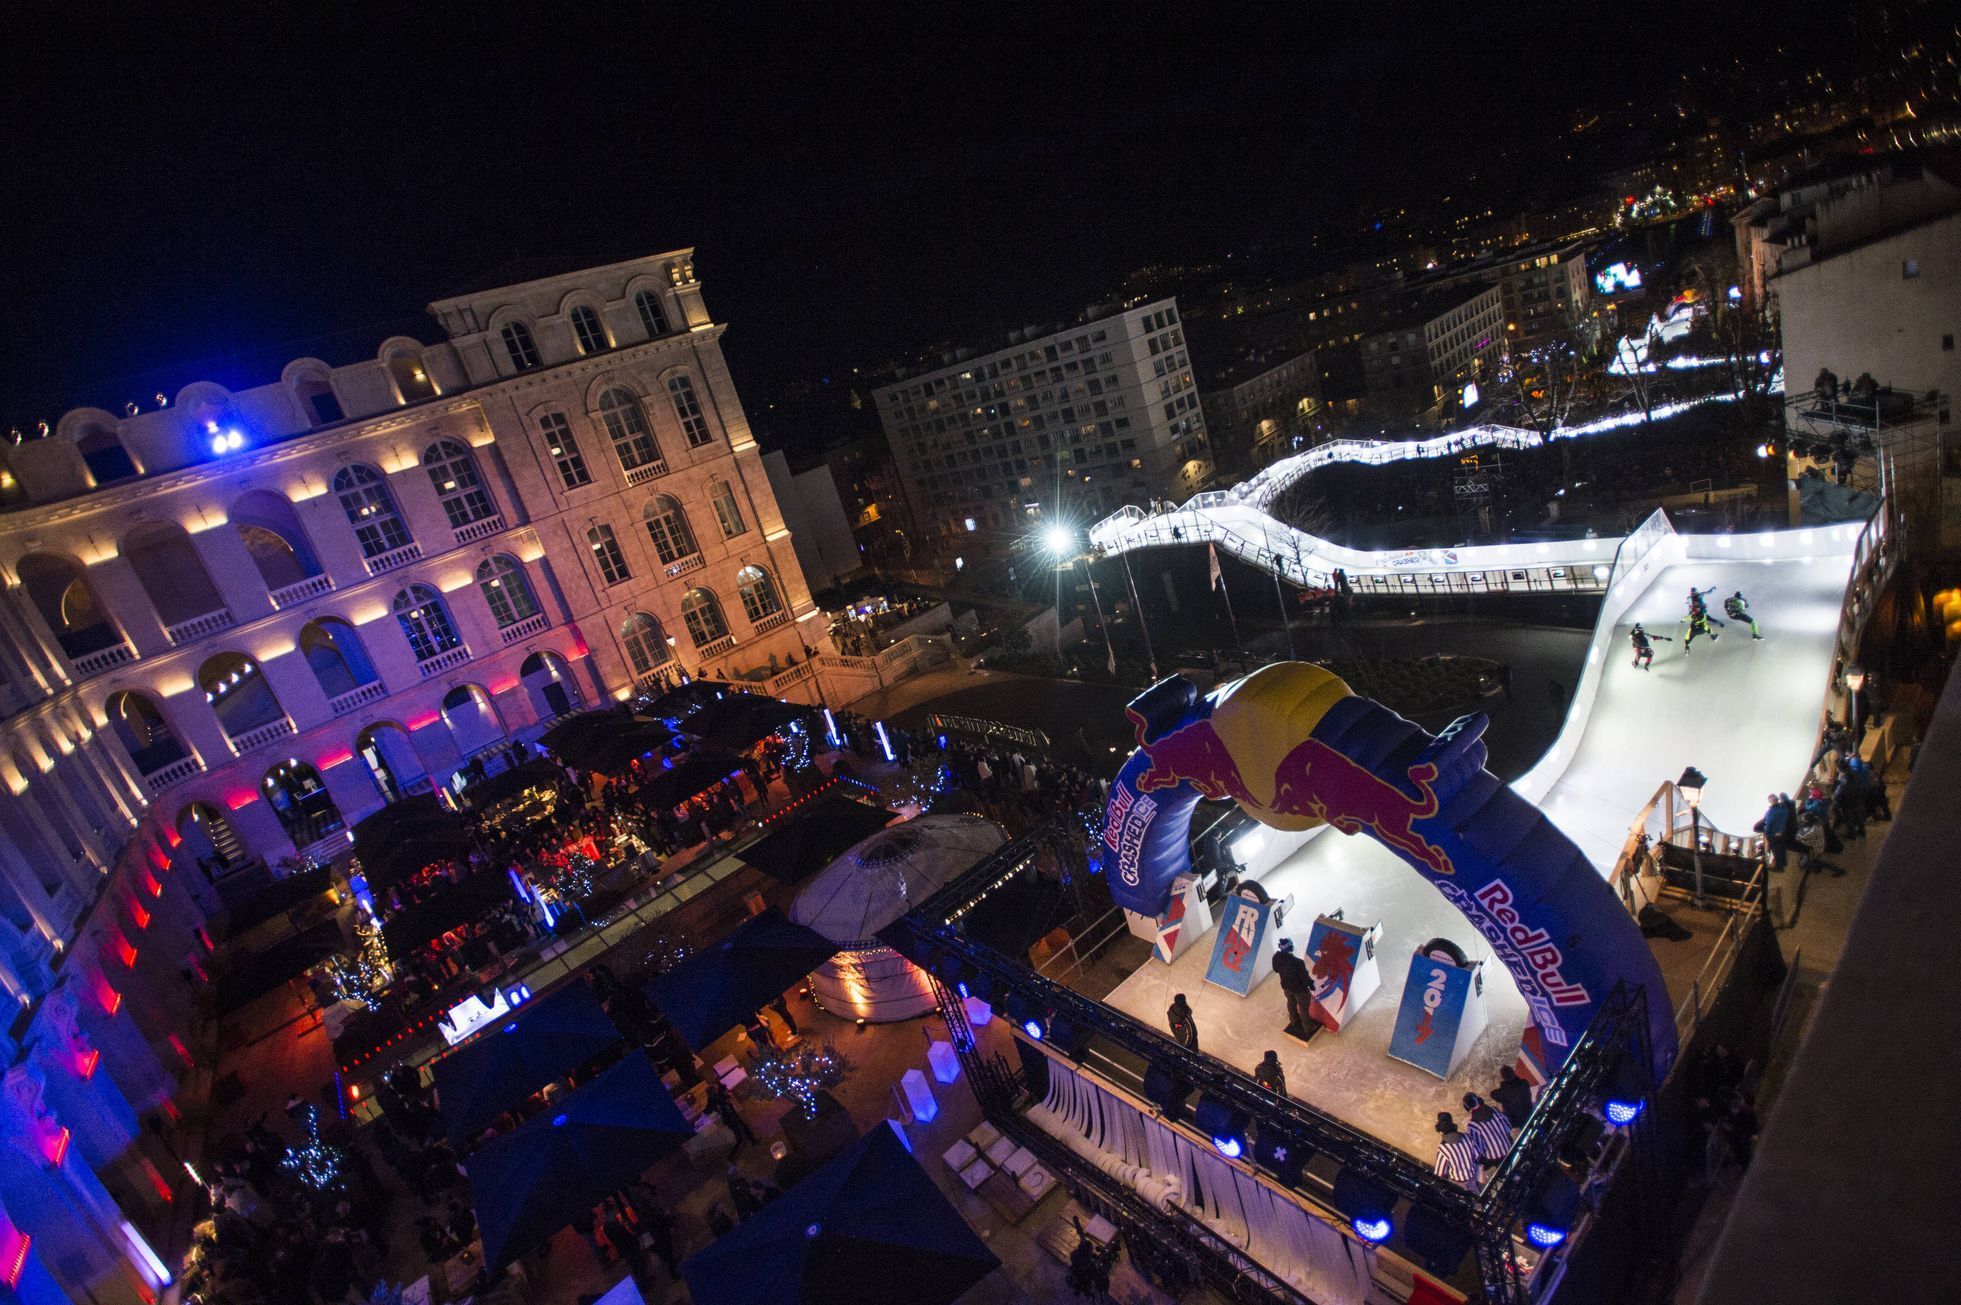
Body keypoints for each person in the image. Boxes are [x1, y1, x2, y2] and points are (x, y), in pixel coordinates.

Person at [1271, 937, 1314, 1034]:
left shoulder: (1276, 957)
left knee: (1291, 1002)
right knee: (1303, 1008)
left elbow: (1276, 970)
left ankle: (1294, 1021)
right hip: (1299, 989)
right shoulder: (1297, 962)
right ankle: (1308, 1027)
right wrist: (1311, 985)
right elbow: (1305, 977)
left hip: (1286, 986)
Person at [1462, 1093, 1512, 1170]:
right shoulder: (1495, 1110)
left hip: (1494, 1158)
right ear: (1479, 1100)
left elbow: (1479, 1148)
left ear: (1466, 1108)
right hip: (1509, 1147)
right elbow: (1508, 1125)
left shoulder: (1472, 1125)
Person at [1434, 1113, 1481, 1190]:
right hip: (1472, 1178)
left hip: (1458, 1184)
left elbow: (1439, 1173)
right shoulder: (1467, 1137)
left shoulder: (1443, 1148)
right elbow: (1477, 1156)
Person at [1753, 792, 1791, 872]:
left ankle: (1779, 867)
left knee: (1776, 850)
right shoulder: (1784, 808)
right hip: (1782, 830)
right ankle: (1784, 862)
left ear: (1771, 802)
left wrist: (1767, 833)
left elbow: (1769, 823)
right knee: (1781, 848)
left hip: (1773, 833)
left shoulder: (1771, 812)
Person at [1492, 1065, 1534, 1131]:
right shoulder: (1524, 1083)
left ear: (1503, 1077)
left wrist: (1503, 1086)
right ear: (1513, 1073)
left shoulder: (1504, 1092)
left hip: (1517, 1121)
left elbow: (1493, 1094)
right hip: (1530, 1114)